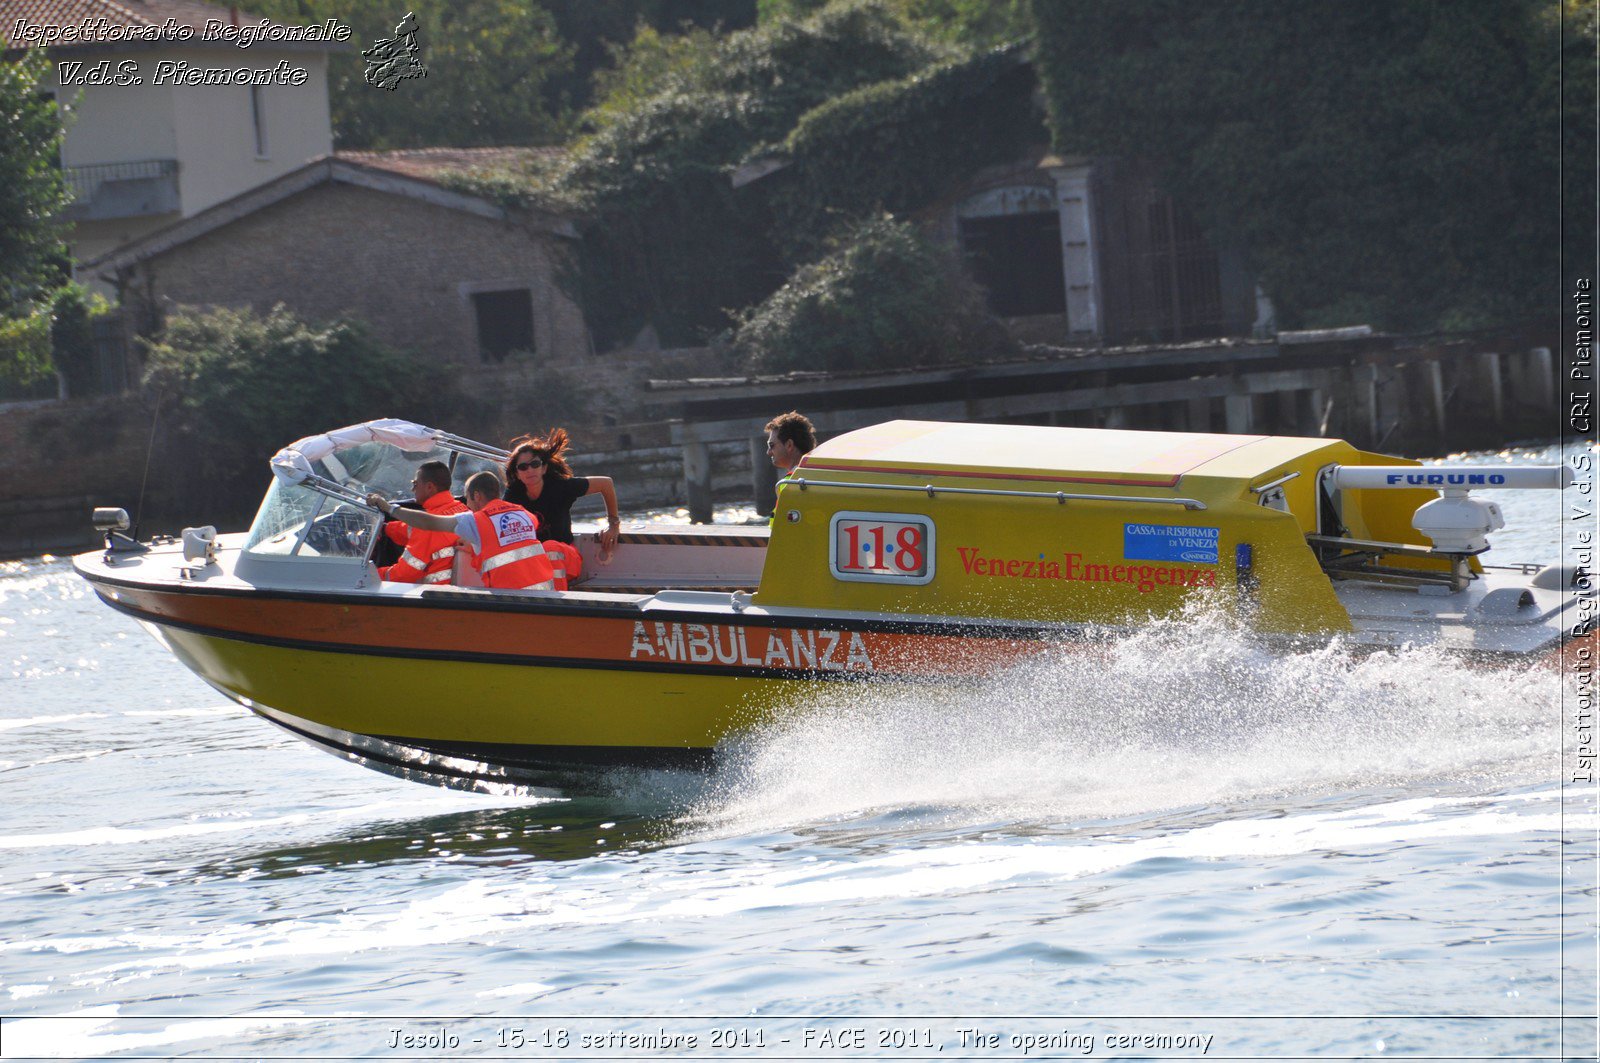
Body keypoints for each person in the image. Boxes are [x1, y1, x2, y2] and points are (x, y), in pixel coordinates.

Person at [367, 471, 556, 591]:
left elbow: (428, 522)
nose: (468, 505)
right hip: (546, 592)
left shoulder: (476, 521)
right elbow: (508, 542)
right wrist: (473, 547)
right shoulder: (524, 513)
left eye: (468, 499)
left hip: (513, 597)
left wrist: (389, 508)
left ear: (476, 495)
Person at [503, 428, 620, 561]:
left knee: (551, 547)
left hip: (566, 557)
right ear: (517, 474)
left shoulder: (561, 487)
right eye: (523, 467)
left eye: (535, 464)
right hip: (534, 562)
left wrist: (613, 525)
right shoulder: (513, 495)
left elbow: (606, 484)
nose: (530, 470)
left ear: (544, 468)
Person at [377, 460, 465, 585]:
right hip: (459, 591)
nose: (413, 489)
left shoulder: (427, 525)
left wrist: (372, 574)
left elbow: (404, 574)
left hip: (433, 596)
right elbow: (413, 530)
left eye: (415, 484)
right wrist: (385, 528)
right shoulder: (463, 510)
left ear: (429, 487)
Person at [765, 410, 817, 479]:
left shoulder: (796, 481)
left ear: (789, 445)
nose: (768, 452)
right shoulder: (818, 473)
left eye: (771, 445)